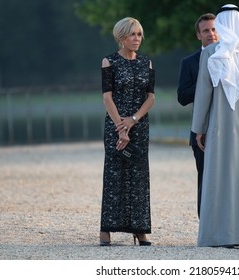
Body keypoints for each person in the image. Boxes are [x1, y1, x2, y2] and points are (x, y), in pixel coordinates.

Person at [191, 4, 239, 249]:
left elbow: (204, 92)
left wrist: (198, 128)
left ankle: (221, 236)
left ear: (223, 23)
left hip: (221, 126)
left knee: (221, 178)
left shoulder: (212, 51)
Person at [99, 17, 155, 246]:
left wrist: (133, 120)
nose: (137, 39)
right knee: (114, 177)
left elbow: (150, 98)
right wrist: (120, 128)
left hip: (139, 126)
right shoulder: (109, 61)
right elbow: (107, 97)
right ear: (121, 37)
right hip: (115, 126)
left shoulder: (147, 63)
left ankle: (140, 229)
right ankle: (106, 229)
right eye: (132, 34)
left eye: (140, 34)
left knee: (140, 177)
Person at [177, 13, 218, 218]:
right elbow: (182, 97)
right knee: (205, 180)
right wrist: (205, 83)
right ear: (198, 35)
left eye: (214, 29)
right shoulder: (189, 62)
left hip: (227, 129)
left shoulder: (234, 57)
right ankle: (206, 227)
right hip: (201, 130)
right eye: (206, 31)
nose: (211, 34)